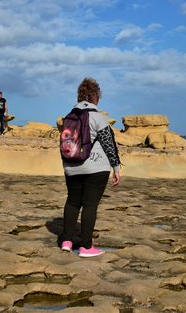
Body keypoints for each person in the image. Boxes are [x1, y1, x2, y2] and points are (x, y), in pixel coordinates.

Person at [59, 77, 121, 258]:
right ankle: (86, 246)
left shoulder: (69, 116)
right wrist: (116, 168)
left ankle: (67, 241)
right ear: (96, 97)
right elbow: (109, 145)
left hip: (71, 166)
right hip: (96, 169)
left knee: (72, 202)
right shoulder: (98, 117)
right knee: (89, 205)